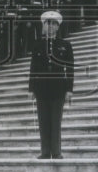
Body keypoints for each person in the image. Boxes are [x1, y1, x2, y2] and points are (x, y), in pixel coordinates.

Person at [28, 11, 74, 160]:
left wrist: (69, 89)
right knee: (43, 120)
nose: (50, 27)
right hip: (41, 89)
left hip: (58, 88)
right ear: (44, 26)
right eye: (48, 24)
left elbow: (70, 69)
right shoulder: (37, 45)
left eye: (54, 24)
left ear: (57, 27)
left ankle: (56, 151)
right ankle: (45, 151)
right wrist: (31, 89)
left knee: (55, 121)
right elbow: (33, 68)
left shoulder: (65, 45)